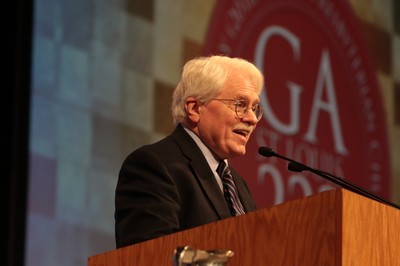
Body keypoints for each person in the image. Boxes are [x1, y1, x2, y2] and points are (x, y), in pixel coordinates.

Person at [114, 55, 265, 248]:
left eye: (255, 108)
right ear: (194, 108)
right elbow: (150, 255)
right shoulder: (154, 166)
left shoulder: (237, 184)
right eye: (240, 105)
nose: (252, 119)